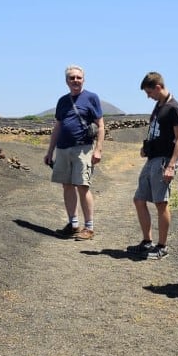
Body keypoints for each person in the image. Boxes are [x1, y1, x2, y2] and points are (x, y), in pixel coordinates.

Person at [44, 65, 104, 240]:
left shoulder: (91, 98)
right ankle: (73, 224)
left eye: (78, 77)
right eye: (72, 78)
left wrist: (98, 149)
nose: (75, 80)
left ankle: (89, 227)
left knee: (83, 186)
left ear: (83, 79)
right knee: (67, 186)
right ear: (66, 81)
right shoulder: (62, 101)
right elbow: (58, 126)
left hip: (82, 148)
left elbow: (100, 125)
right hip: (63, 149)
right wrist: (50, 151)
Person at [130, 72, 178, 260]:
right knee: (139, 199)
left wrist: (171, 165)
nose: (148, 96)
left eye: (149, 92)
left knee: (161, 203)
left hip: (164, 161)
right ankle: (147, 242)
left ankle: (162, 246)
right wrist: (146, 148)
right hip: (152, 158)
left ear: (158, 87)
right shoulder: (158, 105)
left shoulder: (173, 107)